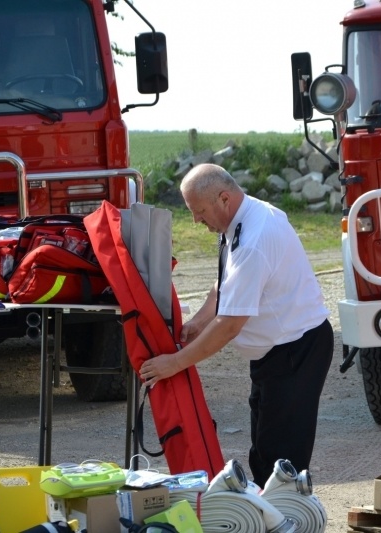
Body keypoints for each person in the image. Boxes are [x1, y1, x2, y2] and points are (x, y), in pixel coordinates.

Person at [139, 163, 334, 485]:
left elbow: (230, 325)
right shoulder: (242, 218)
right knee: (264, 450)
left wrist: (174, 364)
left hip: (295, 350)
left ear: (223, 199)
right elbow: (226, 282)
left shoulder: (255, 238)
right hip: (277, 352)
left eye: (199, 211)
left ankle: (288, 520)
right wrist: (199, 323)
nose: (196, 220)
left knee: (280, 460)